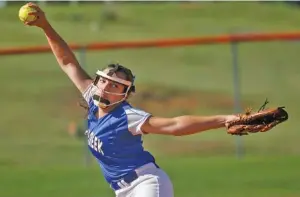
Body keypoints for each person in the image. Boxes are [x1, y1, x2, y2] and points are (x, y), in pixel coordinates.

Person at [23, 3, 239, 197]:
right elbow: (67, 62)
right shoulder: (92, 98)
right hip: (123, 191)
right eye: (104, 80)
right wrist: (45, 26)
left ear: (124, 95)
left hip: (147, 184)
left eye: (115, 85)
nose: (106, 86)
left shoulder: (127, 116)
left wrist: (224, 119)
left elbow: (174, 126)